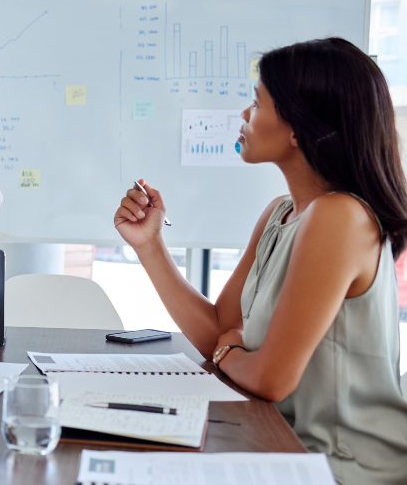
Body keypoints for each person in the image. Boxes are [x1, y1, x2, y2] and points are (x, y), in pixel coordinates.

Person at [114, 38, 407, 484]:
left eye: (257, 103)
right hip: (276, 443)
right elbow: (216, 328)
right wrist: (150, 245)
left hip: (340, 467)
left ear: (297, 128)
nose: (245, 116)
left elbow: (271, 378)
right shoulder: (280, 213)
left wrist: (230, 349)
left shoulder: (340, 216)